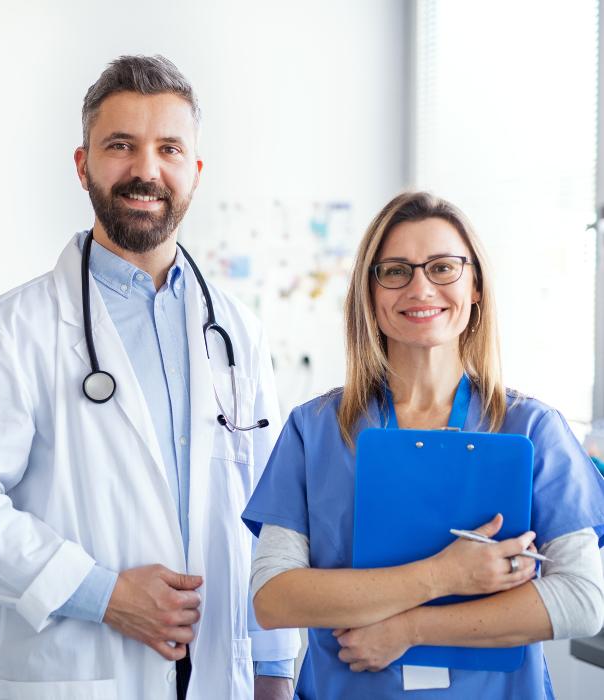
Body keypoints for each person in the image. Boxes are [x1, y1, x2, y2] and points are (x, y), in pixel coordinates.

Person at [0, 55, 299, 700]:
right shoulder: (11, 330)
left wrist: (273, 669)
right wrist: (104, 593)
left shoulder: (238, 333)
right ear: (82, 163)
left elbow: (270, 514)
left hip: (220, 677)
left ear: (194, 172)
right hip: (83, 669)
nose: (146, 170)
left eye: (168, 148)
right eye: (121, 145)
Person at [242, 191, 604, 699]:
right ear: (370, 292)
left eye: (442, 267)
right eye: (395, 271)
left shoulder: (531, 427)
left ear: (475, 285)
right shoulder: (316, 429)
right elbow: (273, 597)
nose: (420, 287)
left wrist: (408, 630)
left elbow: (583, 599)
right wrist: (442, 575)